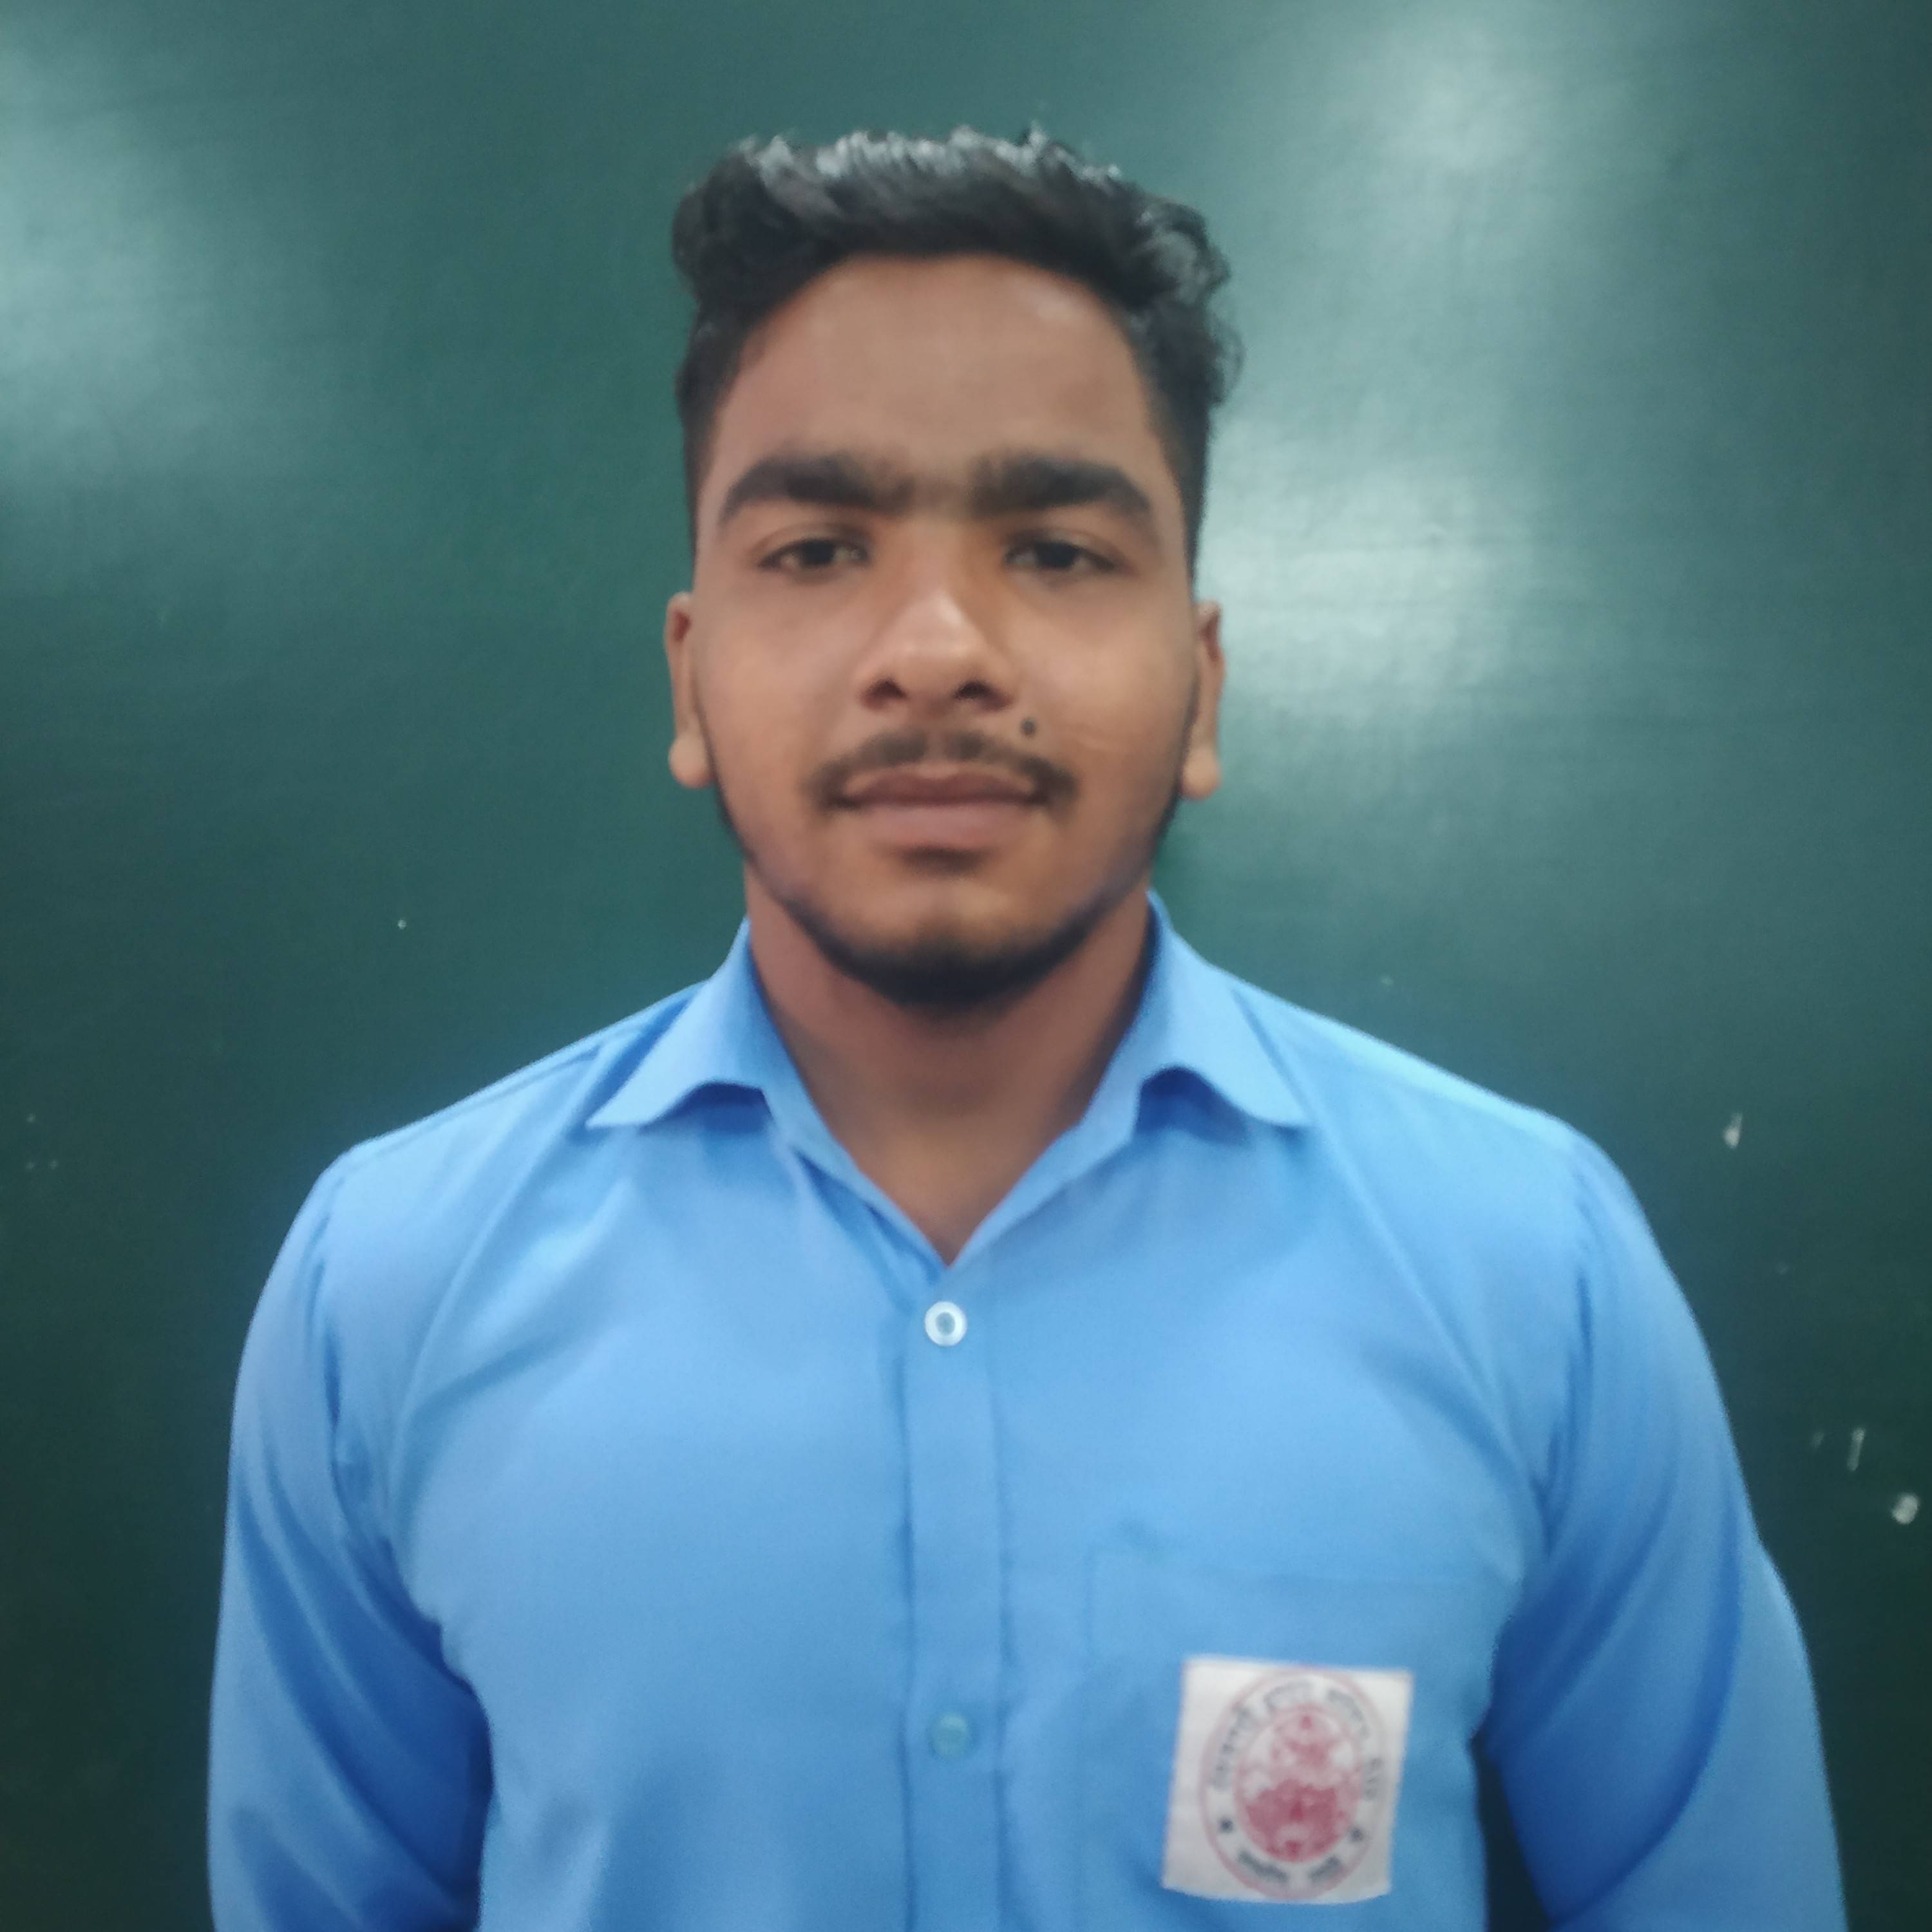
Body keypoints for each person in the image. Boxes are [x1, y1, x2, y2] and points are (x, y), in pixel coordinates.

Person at [207, 127, 1844, 1930]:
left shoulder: (1533, 1272)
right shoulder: (391, 1290)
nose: (935, 649)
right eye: (818, 547)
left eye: (1057, 550)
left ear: (1202, 687)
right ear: (688, 677)